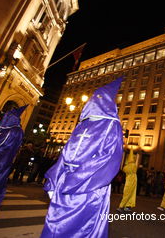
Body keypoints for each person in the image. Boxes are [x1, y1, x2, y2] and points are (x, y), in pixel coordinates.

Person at [41, 77, 124, 238]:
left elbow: (109, 159)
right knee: (54, 226)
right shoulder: (82, 125)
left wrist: (76, 179)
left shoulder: (112, 126)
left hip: (88, 187)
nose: (94, 100)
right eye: (94, 96)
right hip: (63, 183)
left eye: (99, 97)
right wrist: (53, 179)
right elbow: (66, 153)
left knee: (81, 228)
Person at [117, 148, 137, 213]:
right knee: (130, 194)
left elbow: (124, 169)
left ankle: (125, 206)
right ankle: (124, 206)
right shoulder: (134, 165)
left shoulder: (127, 166)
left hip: (129, 180)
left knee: (127, 193)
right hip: (133, 180)